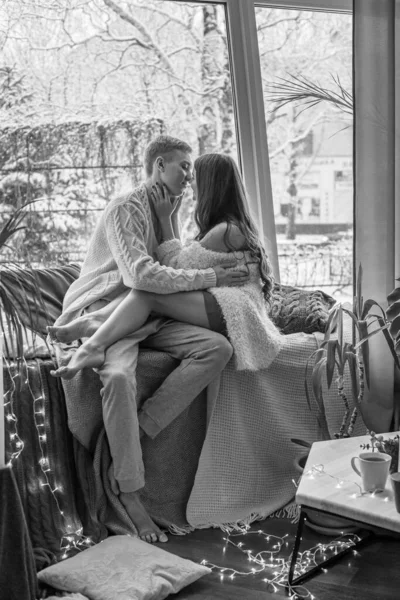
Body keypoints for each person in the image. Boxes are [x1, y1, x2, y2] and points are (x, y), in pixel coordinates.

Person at [49, 136, 250, 546]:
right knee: (120, 379)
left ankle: (137, 432)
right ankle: (130, 490)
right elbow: (141, 276)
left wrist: (169, 225)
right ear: (159, 166)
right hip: (108, 307)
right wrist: (211, 277)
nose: (189, 177)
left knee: (217, 348)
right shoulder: (127, 206)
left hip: (150, 311)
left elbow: (168, 267)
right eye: (183, 168)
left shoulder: (167, 209)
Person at [49, 153, 282, 379]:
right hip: (227, 306)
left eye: (195, 177)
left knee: (146, 292)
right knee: (148, 288)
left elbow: (176, 264)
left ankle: (94, 342)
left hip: (229, 309)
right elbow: (184, 268)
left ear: (212, 185)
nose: (190, 182)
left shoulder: (225, 231)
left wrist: (165, 218)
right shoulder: (230, 227)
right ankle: (93, 324)